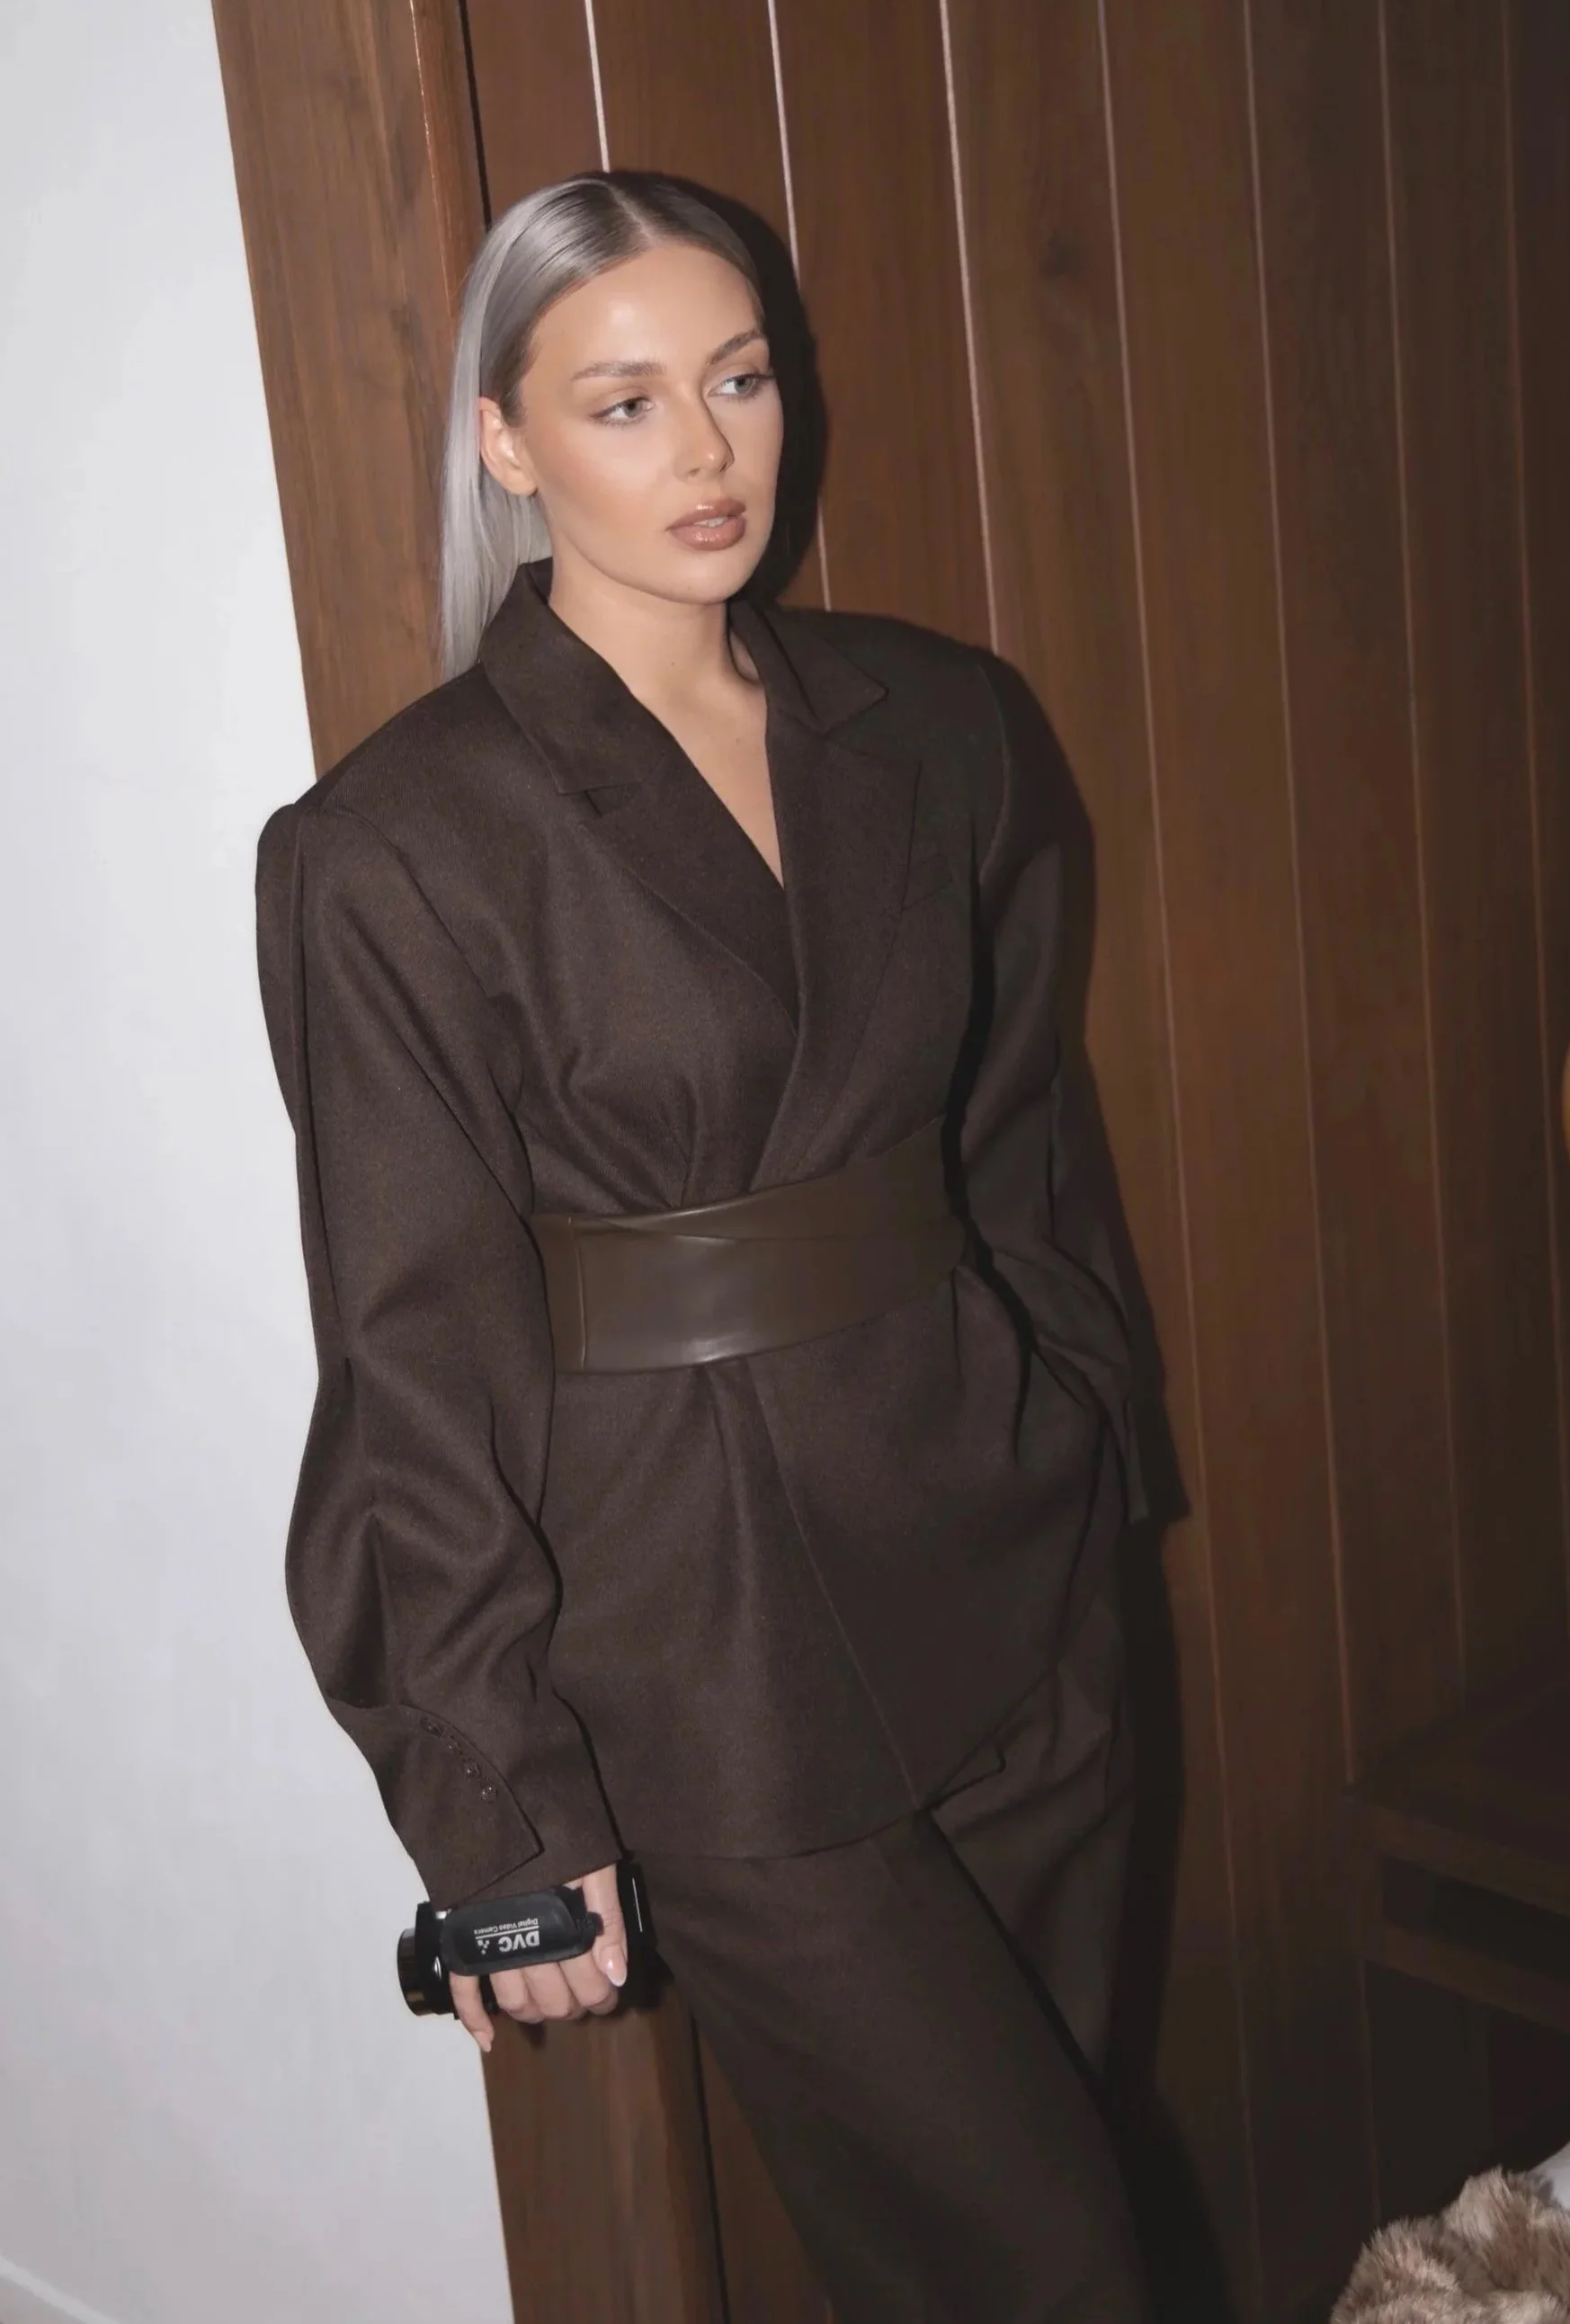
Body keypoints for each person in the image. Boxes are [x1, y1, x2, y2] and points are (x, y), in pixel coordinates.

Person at [255, 170, 1152, 2320]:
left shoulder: (942, 724)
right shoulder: (394, 846)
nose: (712, 451)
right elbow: (414, 1347)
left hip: (1024, 1563)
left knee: (1048, 2186)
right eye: (627, 400)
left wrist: (1098, 1432)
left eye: (737, 380)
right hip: (705, 1646)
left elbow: (1022, 1134)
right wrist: (495, 1799)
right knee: (1045, 2265)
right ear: (508, 440)